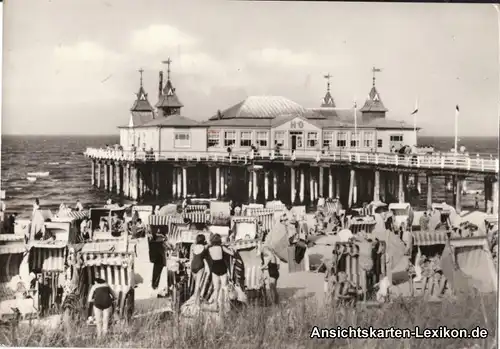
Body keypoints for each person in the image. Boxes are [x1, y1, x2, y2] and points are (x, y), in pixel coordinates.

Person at [206, 234, 230, 311]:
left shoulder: (210, 248)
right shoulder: (222, 247)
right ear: (220, 240)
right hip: (222, 267)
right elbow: (232, 253)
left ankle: (215, 305)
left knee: (216, 288)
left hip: (214, 268)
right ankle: (226, 306)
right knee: (224, 287)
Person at [190, 234, 208, 305]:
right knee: (198, 285)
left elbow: (191, 257)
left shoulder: (193, 246)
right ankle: (196, 303)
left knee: (195, 284)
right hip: (200, 265)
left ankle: (195, 300)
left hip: (193, 265)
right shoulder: (204, 247)